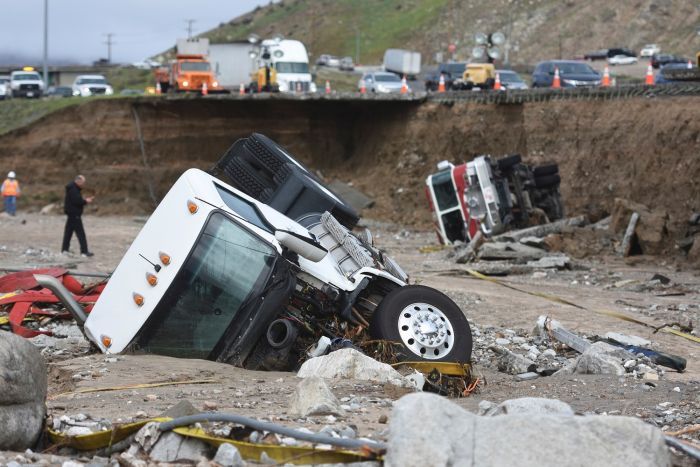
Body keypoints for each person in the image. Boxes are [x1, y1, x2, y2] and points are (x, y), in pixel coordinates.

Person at [62, 175, 94, 257]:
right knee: (80, 233)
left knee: (68, 233)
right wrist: (86, 201)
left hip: (71, 213)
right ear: (78, 181)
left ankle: (64, 250)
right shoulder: (73, 189)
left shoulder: (73, 188)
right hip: (74, 214)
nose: (83, 184)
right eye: (83, 182)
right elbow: (77, 201)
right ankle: (84, 251)